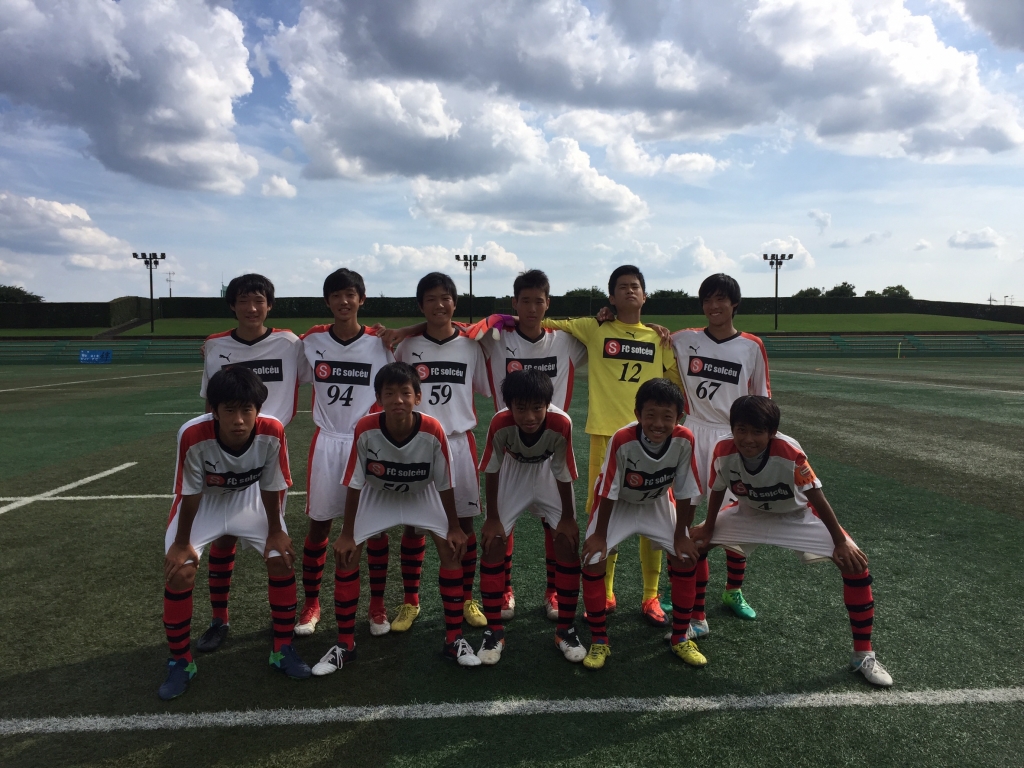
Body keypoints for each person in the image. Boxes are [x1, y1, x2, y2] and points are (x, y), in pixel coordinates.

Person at [689, 396, 893, 687]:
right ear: (732, 428)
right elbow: (718, 488)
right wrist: (709, 527)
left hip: (796, 516)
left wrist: (840, 541)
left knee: (855, 565)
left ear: (772, 433)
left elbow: (817, 498)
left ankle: (863, 654)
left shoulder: (789, 451)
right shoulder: (723, 449)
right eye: (741, 430)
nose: (748, 439)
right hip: (748, 512)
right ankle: (697, 620)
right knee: (693, 546)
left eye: (757, 431)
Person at [310, 362, 480, 674]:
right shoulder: (366, 428)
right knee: (347, 554)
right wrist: (347, 533)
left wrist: (455, 527)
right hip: (379, 494)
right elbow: (354, 482)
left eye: (405, 393)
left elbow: (445, 482)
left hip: (422, 493)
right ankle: (345, 644)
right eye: (389, 393)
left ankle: (454, 639)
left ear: (418, 397)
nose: (398, 399)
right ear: (379, 398)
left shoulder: (433, 429)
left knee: (451, 549)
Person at [159, 366, 310, 700]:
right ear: (214, 411)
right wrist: (182, 543)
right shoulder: (192, 433)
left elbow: (272, 484)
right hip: (205, 503)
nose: (239, 420)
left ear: (258, 409)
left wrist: (275, 530)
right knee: (180, 572)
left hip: (249, 498)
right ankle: (181, 660)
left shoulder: (272, 430)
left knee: (280, 558)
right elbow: (189, 492)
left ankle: (282, 648)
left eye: (247, 410)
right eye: (229, 410)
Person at [543, 265, 680, 626]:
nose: (630, 291)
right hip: (606, 436)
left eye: (635, 286)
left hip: (652, 439)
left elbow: (675, 385)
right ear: (611, 297)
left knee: (654, 511)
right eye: (622, 287)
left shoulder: (659, 339)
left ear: (645, 296)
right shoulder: (596, 328)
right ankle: (605, 592)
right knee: (602, 512)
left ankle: (651, 596)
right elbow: (544, 321)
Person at [195, 273, 308, 653]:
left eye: (258, 300)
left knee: (276, 543)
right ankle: (219, 618)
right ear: (232, 305)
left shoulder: (290, 343)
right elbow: (210, 403)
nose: (251, 307)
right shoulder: (216, 346)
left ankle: (282, 622)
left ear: (269, 305)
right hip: (225, 448)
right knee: (223, 537)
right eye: (243, 300)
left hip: (269, 449)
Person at [294, 268, 395, 640]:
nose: (343, 301)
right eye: (336, 295)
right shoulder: (311, 340)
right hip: (328, 443)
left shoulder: (380, 343)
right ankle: (311, 603)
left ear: (361, 299)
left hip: (369, 442)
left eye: (350, 294)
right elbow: (275, 353)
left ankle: (377, 604)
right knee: (320, 525)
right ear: (327, 301)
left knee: (375, 529)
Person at [669, 274, 770, 637]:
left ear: (734, 304)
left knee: (737, 514)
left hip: (733, 438)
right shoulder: (683, 339)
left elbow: (762, 397)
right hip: (694, 432)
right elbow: (648, 336)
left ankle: (733, 590)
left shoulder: (752, 346)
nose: (714, 306)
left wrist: (759, 442)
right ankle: (688, 598)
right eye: (708, 300)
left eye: (721, 299)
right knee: (686, 517)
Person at [579, 379, 704, 670]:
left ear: (679, 417)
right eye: (650, 415)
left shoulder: (685, 439)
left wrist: (682, 534)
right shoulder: (623, 439)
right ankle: (599, 640)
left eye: (667, 416)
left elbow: (687, 489)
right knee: (593, 558)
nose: (658, 424)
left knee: (685, 557)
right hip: (619, 504)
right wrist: (600, 536)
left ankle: (680, 637)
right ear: (638, 414)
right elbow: (607, 490)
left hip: (656, 501)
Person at [391, 273, 491, 633]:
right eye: (431, 299)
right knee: (414, 524)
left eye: (445, 298)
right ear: (421, 306)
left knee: (464, 524)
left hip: (459, 443)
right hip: (417, 444)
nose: (439, 305)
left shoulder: (471, 346)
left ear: (455, 303)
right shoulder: (406, 347)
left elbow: (483, 387)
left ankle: (466, 597)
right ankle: (410, 601)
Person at [476, 369, 586, 664]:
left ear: (547, 404)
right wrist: (492, 518)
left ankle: (565, 629)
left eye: (537, 408)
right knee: (494, 541)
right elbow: (492, 469)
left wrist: (567, 518)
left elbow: (563, 471)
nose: (529, 416)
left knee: (567, 541)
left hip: (548, 473)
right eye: (521, 408)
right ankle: (493, 631)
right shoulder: (500, 422)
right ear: (509, 405)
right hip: (513, 473)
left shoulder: (561, 422)